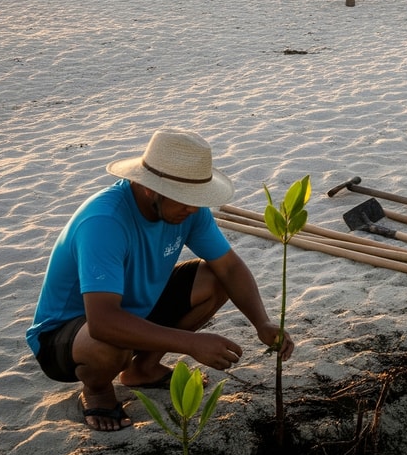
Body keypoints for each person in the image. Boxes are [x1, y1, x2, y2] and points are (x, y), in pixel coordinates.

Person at [26, 128, 295, 432]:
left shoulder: (188, 210)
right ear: (150, 188)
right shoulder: (104, 221)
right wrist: (191, 343)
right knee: (111, 344)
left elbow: (230, 268)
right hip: (68, 333)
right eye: (184, 199)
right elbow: (102, 322)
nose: (193, 208)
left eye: (197, 198)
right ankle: (98, 389)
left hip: (134, 308)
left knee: (215, 278)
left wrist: (262, 323)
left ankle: (143, 368)